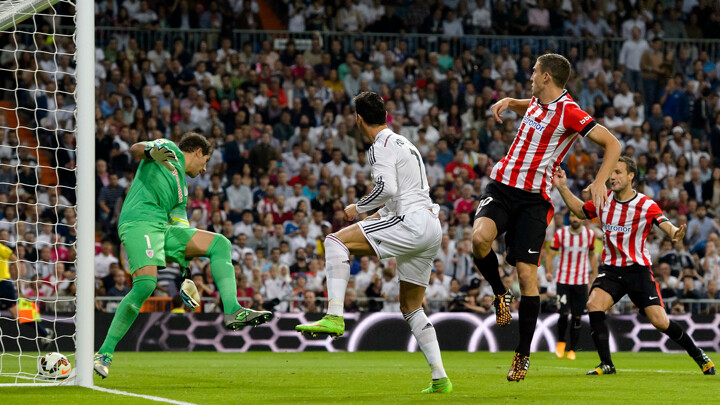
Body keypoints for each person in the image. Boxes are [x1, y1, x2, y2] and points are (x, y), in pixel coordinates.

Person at [472, 53, 621, 381]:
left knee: (527, 275)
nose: (530, 76)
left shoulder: (570, 111)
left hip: (533, 200)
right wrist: (512, 102)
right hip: (502, 185)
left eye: (534, 72)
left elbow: (612, 143)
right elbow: (534, 108)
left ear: (546, 77)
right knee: (479, 239)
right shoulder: (537, 101)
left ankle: (522, 354)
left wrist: (599, 181)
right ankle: (500, 292)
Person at [295, 92, 451, 394]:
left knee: (334, 241)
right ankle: (440, 378)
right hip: (430, 226)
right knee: (411, 307)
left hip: (411, 222)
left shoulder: (380, 145)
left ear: (358, 118)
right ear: (386, 115)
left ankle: (334, 315)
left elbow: (386, 188)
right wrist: (372, 213)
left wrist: (358, 207)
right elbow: (397, 197)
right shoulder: (405, 143)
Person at [94, 133, 273, 378]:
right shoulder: (168, 148)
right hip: (139, 222)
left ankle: (233, 310)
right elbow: (136, 149)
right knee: (146, 284)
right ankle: (104, 353)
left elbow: (181, 233)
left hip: (162, 228)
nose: (204, 169)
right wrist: (150, 151)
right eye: (206, 161)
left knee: (220, 244)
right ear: (198, 151)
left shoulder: (182, 191)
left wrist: (186, 275)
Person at [553, 156, 714, 376]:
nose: (612, 176)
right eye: (611, 172)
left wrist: (675, 233)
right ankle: (606, 364)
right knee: (594, 304)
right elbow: (581, 211)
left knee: (660, 321)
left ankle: (698, 354)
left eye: (618, 172)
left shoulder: (645, 204)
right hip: (612, 270)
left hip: (638, 271)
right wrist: (562, 187)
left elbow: (664, 223)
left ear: (631, 176)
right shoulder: (603, 200)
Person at [545, 211, 598, 360]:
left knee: (577, 316)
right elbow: (550, 255)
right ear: (569, 218)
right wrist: (549, 271)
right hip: (563, 280)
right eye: (572, 216)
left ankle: (572, 350)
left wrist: (595, 274)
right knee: (563, 314)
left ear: (582, 219)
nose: (575, 219)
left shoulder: (589, 235)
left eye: (577, 216)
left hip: (581, 281)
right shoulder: (561, 234)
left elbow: (592, 255)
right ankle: (561, 343)